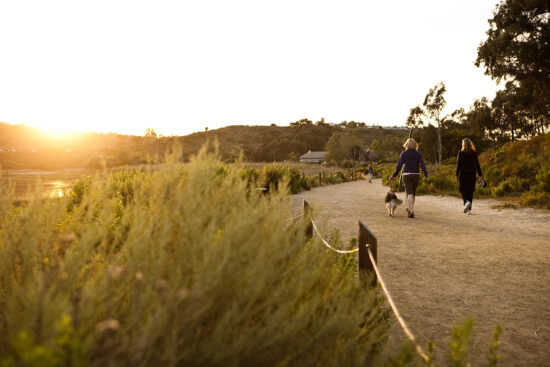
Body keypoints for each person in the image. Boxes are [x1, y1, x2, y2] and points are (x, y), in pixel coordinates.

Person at [389, 138, 429, 218]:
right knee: (412, 193)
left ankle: (411, 210)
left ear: (406, 145)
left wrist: (394, 175)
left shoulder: (403, 153)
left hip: (406, 175)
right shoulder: (418, 154)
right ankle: (410, 209)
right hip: (416, 175)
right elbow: (422, 165)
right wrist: (426, 175)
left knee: (409, 193)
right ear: (415, 145)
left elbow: (399, 166)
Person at [455, 138, 483, 215]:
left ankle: (466, 202)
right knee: (470, 191)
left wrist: (456, 175)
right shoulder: (474, 153)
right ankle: (469, 210)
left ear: (463, 144)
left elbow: (459, 165)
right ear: (471, 144)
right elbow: (477, 165)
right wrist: (480, 175)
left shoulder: (461, 153)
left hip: (463, 174)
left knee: (462, 190)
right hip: (472, 174)